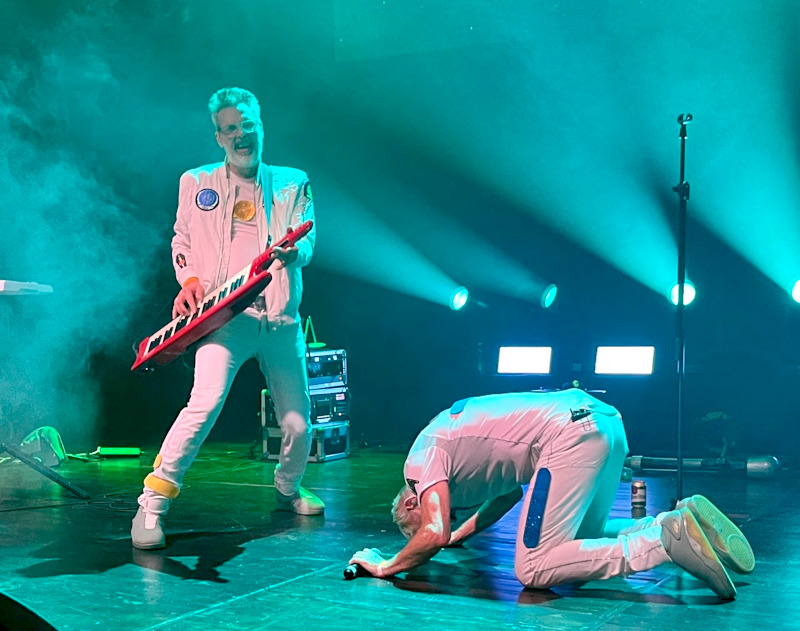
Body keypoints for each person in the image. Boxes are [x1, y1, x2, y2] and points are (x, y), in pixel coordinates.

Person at [132, 87, 323, 550]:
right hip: (224, 320)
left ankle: (287, 488)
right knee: (205, 403)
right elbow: (180, 240)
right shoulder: (195, 182)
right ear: (218, 136)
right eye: (230, 129)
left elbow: (309, 241)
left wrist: (294, 253)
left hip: (280, 320)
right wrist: (189, 280)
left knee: (298, 424)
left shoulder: (293, 182)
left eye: (247, 125)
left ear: (261, 126)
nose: (241, 135)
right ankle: (151, 505)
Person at [350, 389, 754, 599]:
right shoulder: (458, 462)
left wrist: (386, 566)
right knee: (578, 543)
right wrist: (459, 534)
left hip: (568, 434)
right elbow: (506, 496)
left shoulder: (419, 462)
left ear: (411, 501)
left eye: (422, 517)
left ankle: (662, 543)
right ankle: (673, 522)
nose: (447, 514)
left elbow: (432, 533)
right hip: (605, 423)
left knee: (534, 569)